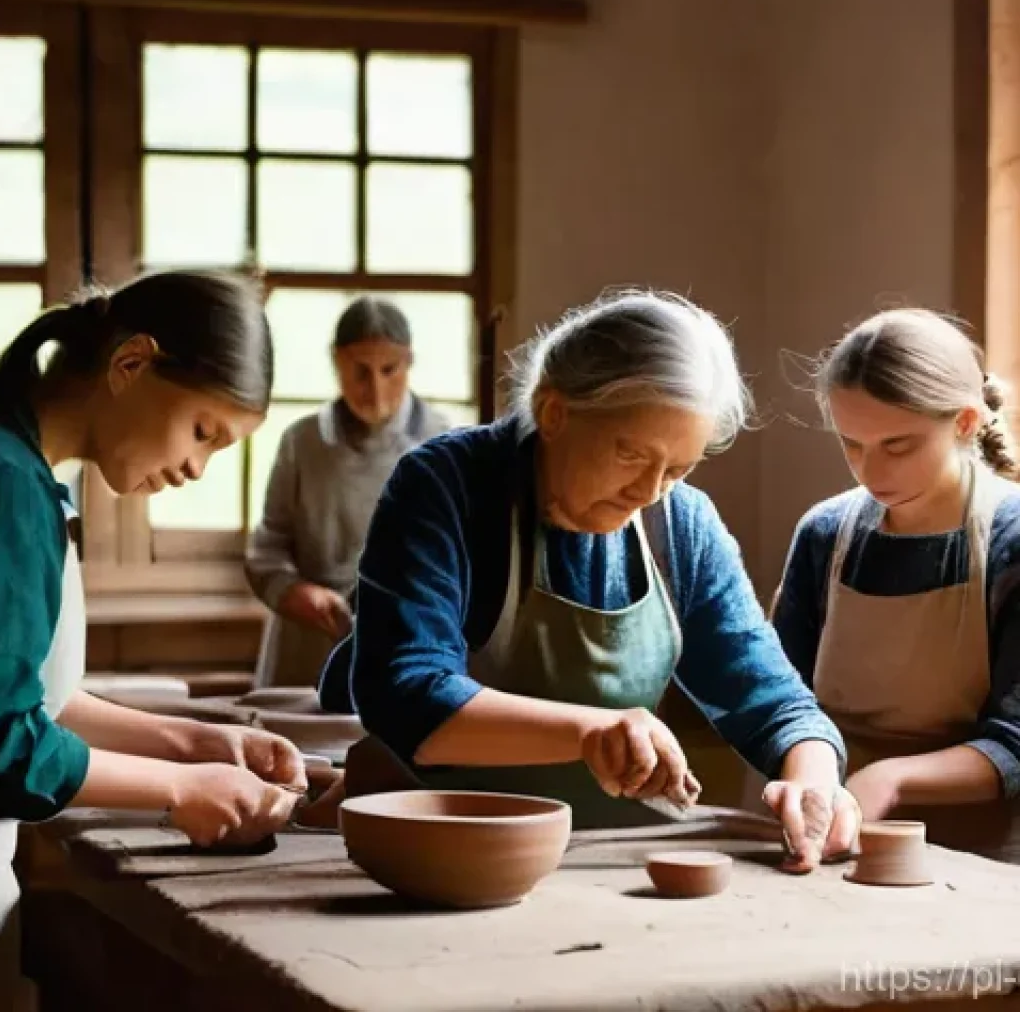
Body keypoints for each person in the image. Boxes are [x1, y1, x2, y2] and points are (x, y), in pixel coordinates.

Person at [319, 289, 860, 869]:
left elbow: (776, 703)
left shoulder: (680, 525)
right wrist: (591, 731)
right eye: (631, 455)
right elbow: (406, 695)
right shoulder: (448, 488)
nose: (649, 491)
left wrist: (814, 778)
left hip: (602, 857)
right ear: (554, 412)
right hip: (438, 850)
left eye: (677, 469)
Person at [0, 270, 308, 1002]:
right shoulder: (7, 484)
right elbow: (4, 741)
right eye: (203, 432)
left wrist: (194, 742)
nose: (197, 468)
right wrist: (180, 787)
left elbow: (33, 699)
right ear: (131, 363)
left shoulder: (32, 478)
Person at [771, 308, 1020, 860]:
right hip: (831, 834)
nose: (871, 472)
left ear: (965, 422)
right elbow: (779, 701)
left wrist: (890, 779)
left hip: (984, 854)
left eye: (898, 445)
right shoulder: (825, 534)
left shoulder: (1011, 541)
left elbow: (1016, 743)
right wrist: (805, 779)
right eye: (851, 444)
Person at [245, 297, 450, 693]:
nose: (375, 389)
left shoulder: (445, 443)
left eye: (389, 370)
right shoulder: (301, 442)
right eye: (360, 372)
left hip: (406, 647)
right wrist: (295, 592)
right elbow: (267, 548)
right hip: (306, 645)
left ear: (409, 361)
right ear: (336, 362)